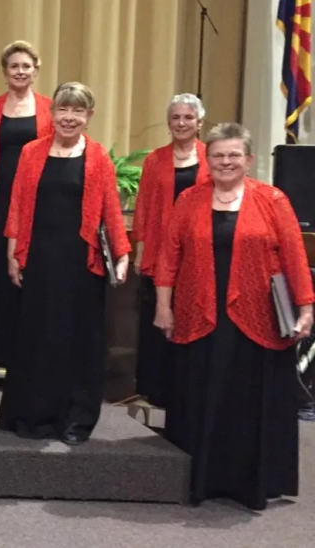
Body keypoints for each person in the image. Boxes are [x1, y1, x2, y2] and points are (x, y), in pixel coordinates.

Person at [154, 122, 312, 510]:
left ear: (249, 159)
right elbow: (169, 256)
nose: (226, 162)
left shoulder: (273, 199)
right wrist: (163, 305)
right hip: (199, 312)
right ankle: (200, 480)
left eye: (234, 155)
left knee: (248, 401)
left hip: (256, 317)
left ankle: (248, 484)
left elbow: (295, 258)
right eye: (219, 155)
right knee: (203, 394)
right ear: (208, 160)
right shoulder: (189, 199)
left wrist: (307, 308)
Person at [0, 82, 130, 446]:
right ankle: (31, 414)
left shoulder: (98, 157)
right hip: (39, 258)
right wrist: (13, 253)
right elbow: (18, 207)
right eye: (63, 110)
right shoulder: (31, 152)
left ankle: (74, 418)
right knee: (38, 337)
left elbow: (110, 212)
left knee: (77, 340)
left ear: (89, 116)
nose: (69, 118)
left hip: (81, 264)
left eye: (77, 111)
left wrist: (122, 253)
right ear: (52, 113)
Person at [0, 41, 53, 372]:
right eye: (14, 66)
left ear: (36, 70)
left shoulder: (49, 108)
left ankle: (31, 347)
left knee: (33, 272)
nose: (20, 71)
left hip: (37, 200)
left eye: (26, 66)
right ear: (4, 72)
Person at [129, 93, 209, 408]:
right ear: (168, 123)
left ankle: (189, 384)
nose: (181, 123)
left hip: (198, 252)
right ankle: (156, 387)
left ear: (200, 123)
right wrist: (140, 251)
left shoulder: (210, 156)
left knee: (191, 316)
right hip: (160, 250)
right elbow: (145, 208)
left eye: (188, 117)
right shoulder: (155, 160)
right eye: (175, 117)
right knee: (157, 316)